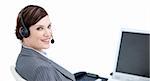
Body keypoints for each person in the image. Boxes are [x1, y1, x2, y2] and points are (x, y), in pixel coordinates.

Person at [15, 5, 76, 81]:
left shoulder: (24, 58)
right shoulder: (43, 70)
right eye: (40, 28)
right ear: (24, 32)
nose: (48, 34)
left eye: (49, 26)